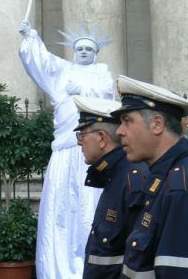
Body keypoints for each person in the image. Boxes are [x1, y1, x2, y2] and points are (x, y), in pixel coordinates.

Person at [18, 21, 114, 279]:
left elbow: (107, 97)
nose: (83, 51)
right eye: (79, 48)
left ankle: (88, 268)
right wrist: (31, 37)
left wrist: (82, 90)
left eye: (88, 48)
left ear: (96, 53)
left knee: (89, 209)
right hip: (64, 152)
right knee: (60, 213)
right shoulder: (63, 71)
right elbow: (41, 63)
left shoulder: (102, 72)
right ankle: (56, 270)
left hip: (90, 154)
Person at [111, 75, 188, 279]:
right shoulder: (161, 179)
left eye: (127, 121)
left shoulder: (179, 187)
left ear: (157, 124)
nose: (119, 131)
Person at [73, 95, 148, 279]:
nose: (79, 142)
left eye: (82, 135)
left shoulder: (131, 179)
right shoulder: (114, 175)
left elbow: (140, 260)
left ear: (101, 138)